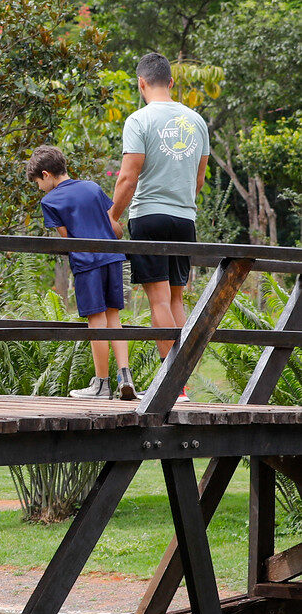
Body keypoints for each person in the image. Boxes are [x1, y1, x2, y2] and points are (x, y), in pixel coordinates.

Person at [110, 52, 210, 391]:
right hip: (185, 219)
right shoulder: (196, 121)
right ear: (170, 81)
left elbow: (128, 176)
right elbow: (199, 180)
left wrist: (112, 215)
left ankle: (171, 387)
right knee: (177, 298)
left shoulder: (139, 120)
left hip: (149, 216)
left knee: (159, 300)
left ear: (141, 83)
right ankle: (181, 385)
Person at [29, 145, 133, 401]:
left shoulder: (49, 201)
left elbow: (67, 240)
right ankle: (125, 377)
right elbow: (114, 226)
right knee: (114, 318)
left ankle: (101, 384)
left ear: (46, 174)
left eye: (37, 182)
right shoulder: (92, 187)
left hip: (87, 263)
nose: (39, 188)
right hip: (112, 258)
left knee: (96, 321)